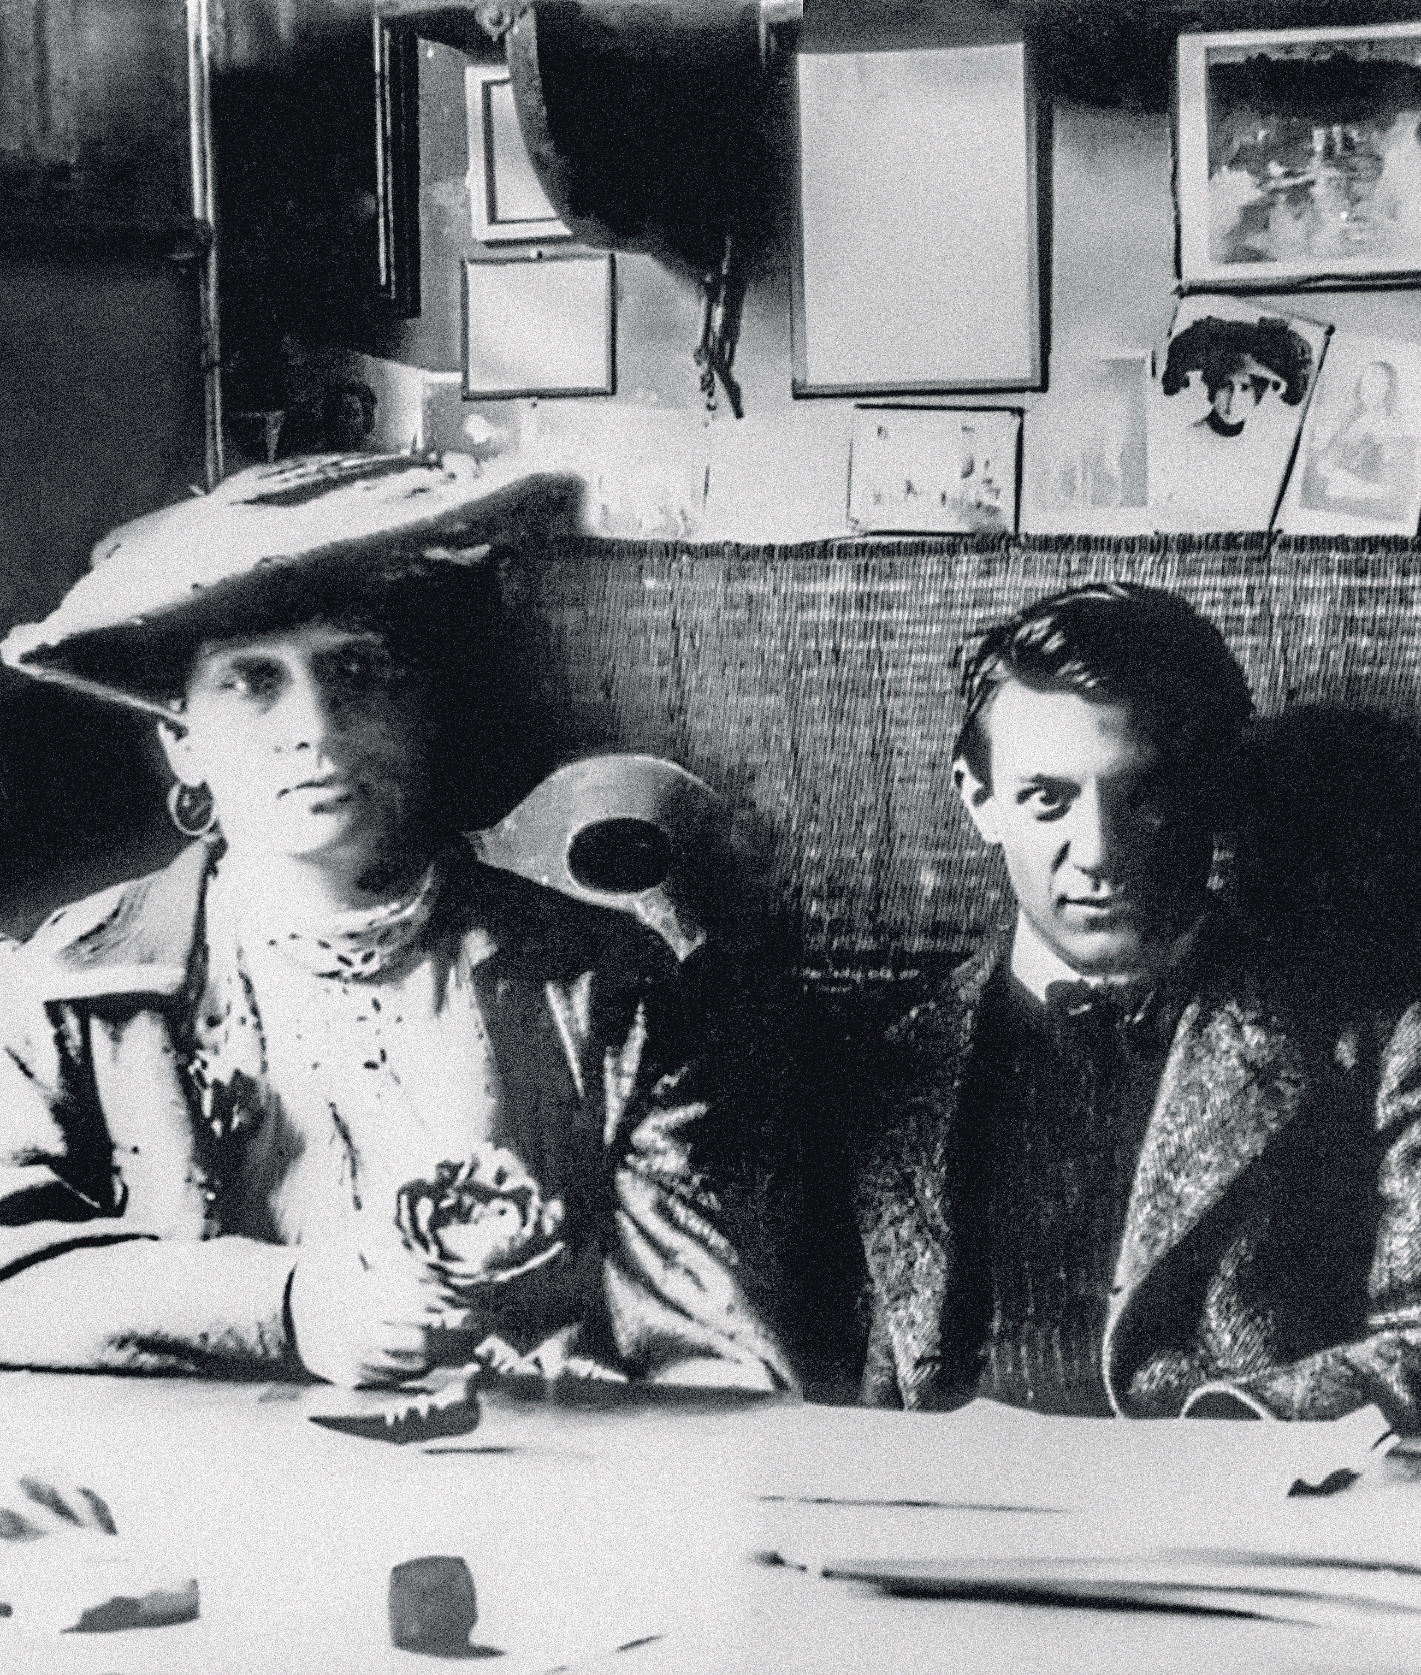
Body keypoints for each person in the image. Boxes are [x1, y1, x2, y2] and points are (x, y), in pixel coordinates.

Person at [0, 452, 796, 1393]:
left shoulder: (605, 986)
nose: (316, 727)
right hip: (184, 1478)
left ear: (421, 706)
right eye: (253, 680)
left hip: (527, 1470)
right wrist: (289, 1307)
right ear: (182, 742)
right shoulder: (74, 985)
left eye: (356, 668)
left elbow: (716, 1362)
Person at [855, 581, 1421, 1424]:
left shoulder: (1372, 1042)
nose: (1097, 852)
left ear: (1218, 794)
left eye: (1145, 796)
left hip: (1237, 1499)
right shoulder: (887, 1064)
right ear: (979, 799)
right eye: (1047, 799)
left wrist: (1219, 1436)